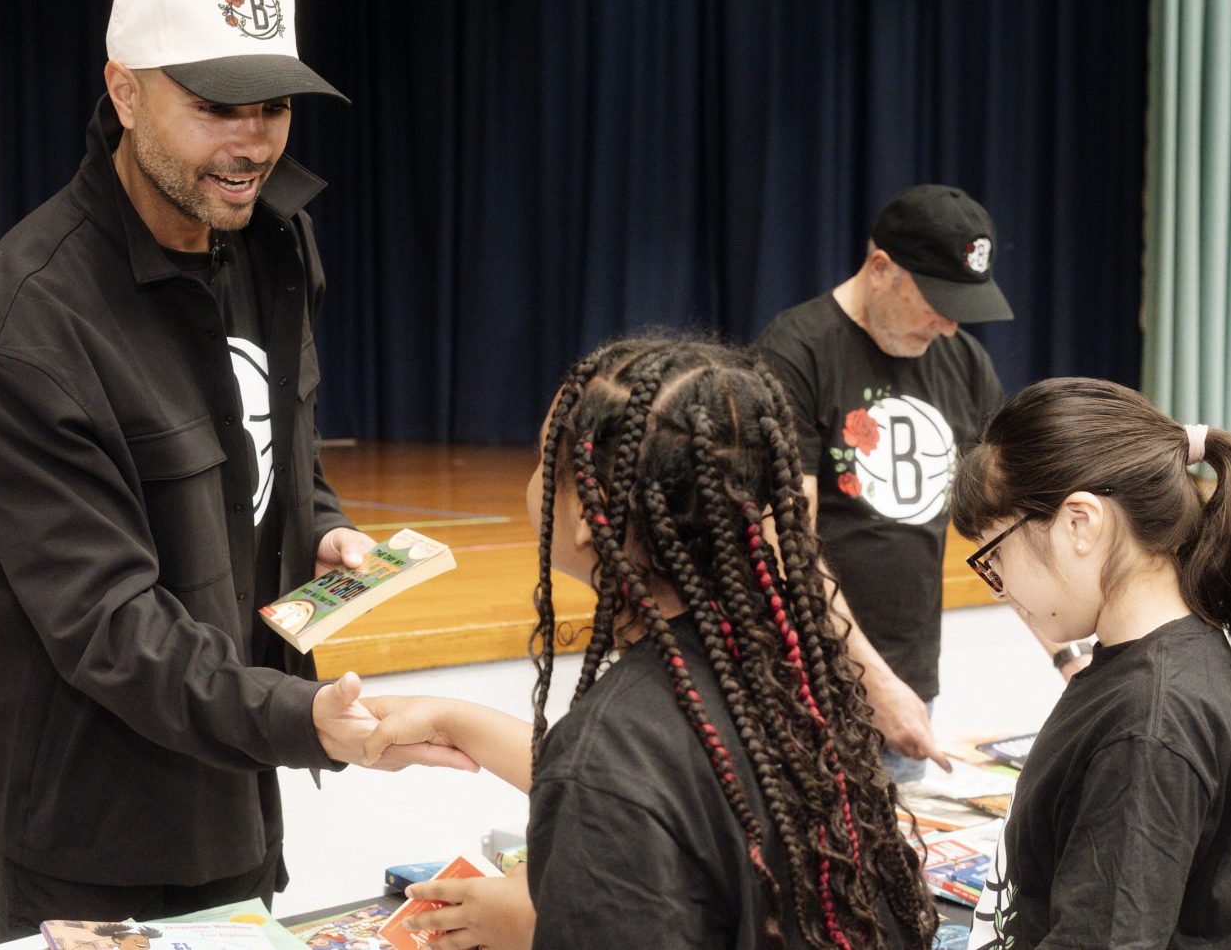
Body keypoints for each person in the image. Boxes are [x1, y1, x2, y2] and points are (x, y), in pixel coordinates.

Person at [0, 0, 470, 942]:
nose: (253, 142)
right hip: (94, 813)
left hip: (234, 761)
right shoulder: (25, 319)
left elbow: (280, 434)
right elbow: (104, 621)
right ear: (124, 91)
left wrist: (319, 524)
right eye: (218, 107)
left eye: (271, 106)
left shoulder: (271, 239)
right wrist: (297, 716)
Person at [357, 336, 940, 949]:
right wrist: (457, 721)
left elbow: (626, 781)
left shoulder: (613, 750)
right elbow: (683, 780)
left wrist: (537, 927)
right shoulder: (784, 674)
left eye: (541, 458)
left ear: (589, 512)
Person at [950, 377, 1231, 948]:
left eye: (995, 556)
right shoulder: (1152, 663)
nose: (999, 587)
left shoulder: (1150, 720)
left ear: (1080, 523)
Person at [756, 185, 1059, 782]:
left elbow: (1005, 527)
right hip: (807, 682)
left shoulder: (965, 364)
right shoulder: (794, 354)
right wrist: (872, 680)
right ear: (880, 269)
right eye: (936, 301)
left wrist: (1067, 651)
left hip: (908, 682)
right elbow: (786, 543)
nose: (948, 326)